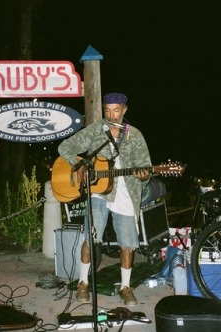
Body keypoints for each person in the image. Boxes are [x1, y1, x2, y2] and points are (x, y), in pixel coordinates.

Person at [58, 92, 151, 305]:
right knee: (91, 236)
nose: (112, 115)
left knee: (127, 243)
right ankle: (83, 282)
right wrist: (79, 164)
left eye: (116, 111)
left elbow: (145, 165)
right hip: (98, 191)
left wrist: (144, 176)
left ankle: (125, 287)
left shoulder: (134, 135)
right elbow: (64, 147)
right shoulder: (95, 131)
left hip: (125, 190)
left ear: (125, 110)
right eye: (107, 110)